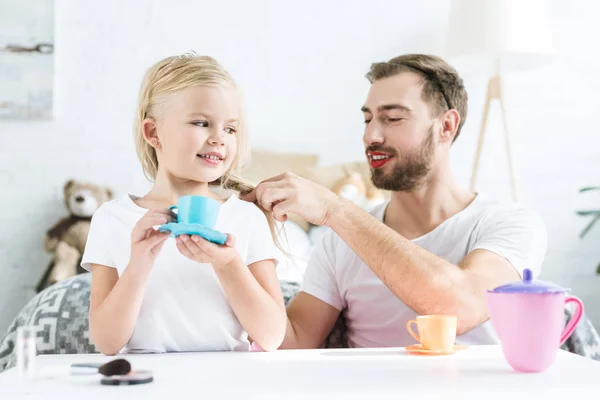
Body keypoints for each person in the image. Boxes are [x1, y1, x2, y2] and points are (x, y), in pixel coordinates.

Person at [244, 54, 547, 349]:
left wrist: (334, 209)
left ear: (446, 126)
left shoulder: (508, 224)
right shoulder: (338, 244)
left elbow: (458, 308)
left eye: (392, 118)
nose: (370, 136)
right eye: (367, 119)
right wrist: (243, 248)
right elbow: (290, 342)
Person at [81, 52, 286, 355]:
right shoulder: (113, 219)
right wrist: (138, 265)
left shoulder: (246, 218)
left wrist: (228, 264)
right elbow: (107, 342)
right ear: (153, 133)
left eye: (230, 128)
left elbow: (271, 337)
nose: (219, 138)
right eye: (202, 123)